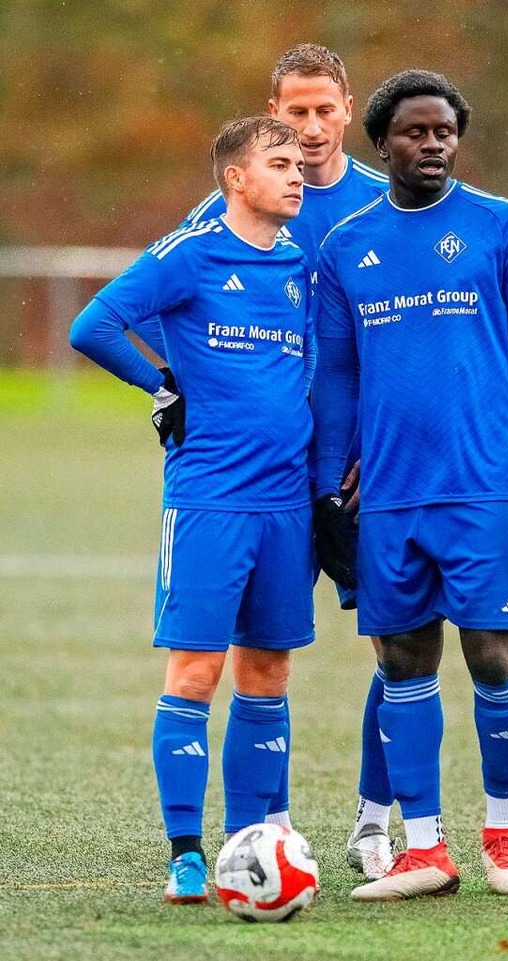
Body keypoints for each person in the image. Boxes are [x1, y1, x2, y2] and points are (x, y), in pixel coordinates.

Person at [312, 69, 508, 901]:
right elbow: (336, 381)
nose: (432, 143)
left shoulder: (501, 226)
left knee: (493, 655)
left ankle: (501, 834)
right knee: (402, 660)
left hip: (483, 485)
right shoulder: (344, 249)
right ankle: (424, 850)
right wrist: (329, 491)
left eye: (444, 131)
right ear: (382, 143)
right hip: (388, 495)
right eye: (414, 132)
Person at [138, 42, 396, 880]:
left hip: (354, 470)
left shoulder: (383, 205)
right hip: (246, 475)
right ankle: (264, 830)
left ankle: (374, 821)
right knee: (235, 661)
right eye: (294, 113)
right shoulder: (222, 216)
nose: (311, 129)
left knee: (395, 648)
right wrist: (165, 383)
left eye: (326, 110)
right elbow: (151, 300)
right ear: (270, 115)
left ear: (349, 109)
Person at [70, 116, 316, 903]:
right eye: (278, 163)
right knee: (197, 670)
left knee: (269, 672)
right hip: (210, 498)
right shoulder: (191, 252)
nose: (298, 172)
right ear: (236, 180)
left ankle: (258, 843)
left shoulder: (301, 263)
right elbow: (94, 324)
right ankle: (184, 850)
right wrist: (158, 384)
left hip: (288, 503)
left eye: (300, 163)